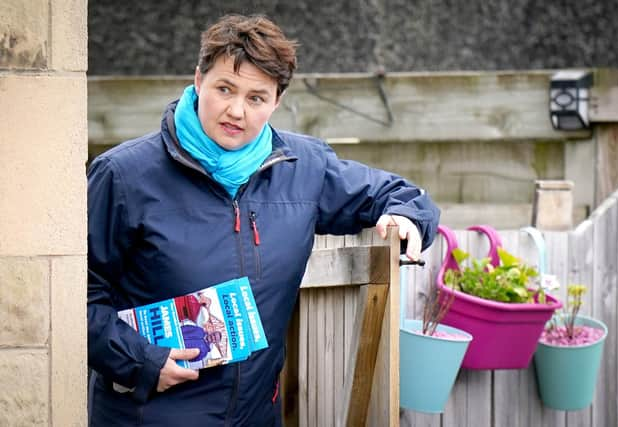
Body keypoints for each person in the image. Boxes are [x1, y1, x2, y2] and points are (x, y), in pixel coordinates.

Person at [87, 13, 440, 426]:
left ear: (277, 101)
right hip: (148, 413)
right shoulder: (123, 175)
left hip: (257, 414)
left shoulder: (303, 167)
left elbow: (402, 195)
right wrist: (142, 361)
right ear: (198, 81)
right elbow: (75, 295)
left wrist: (407, 218)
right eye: (224, 89)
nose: (236, 110)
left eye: (256, 98)